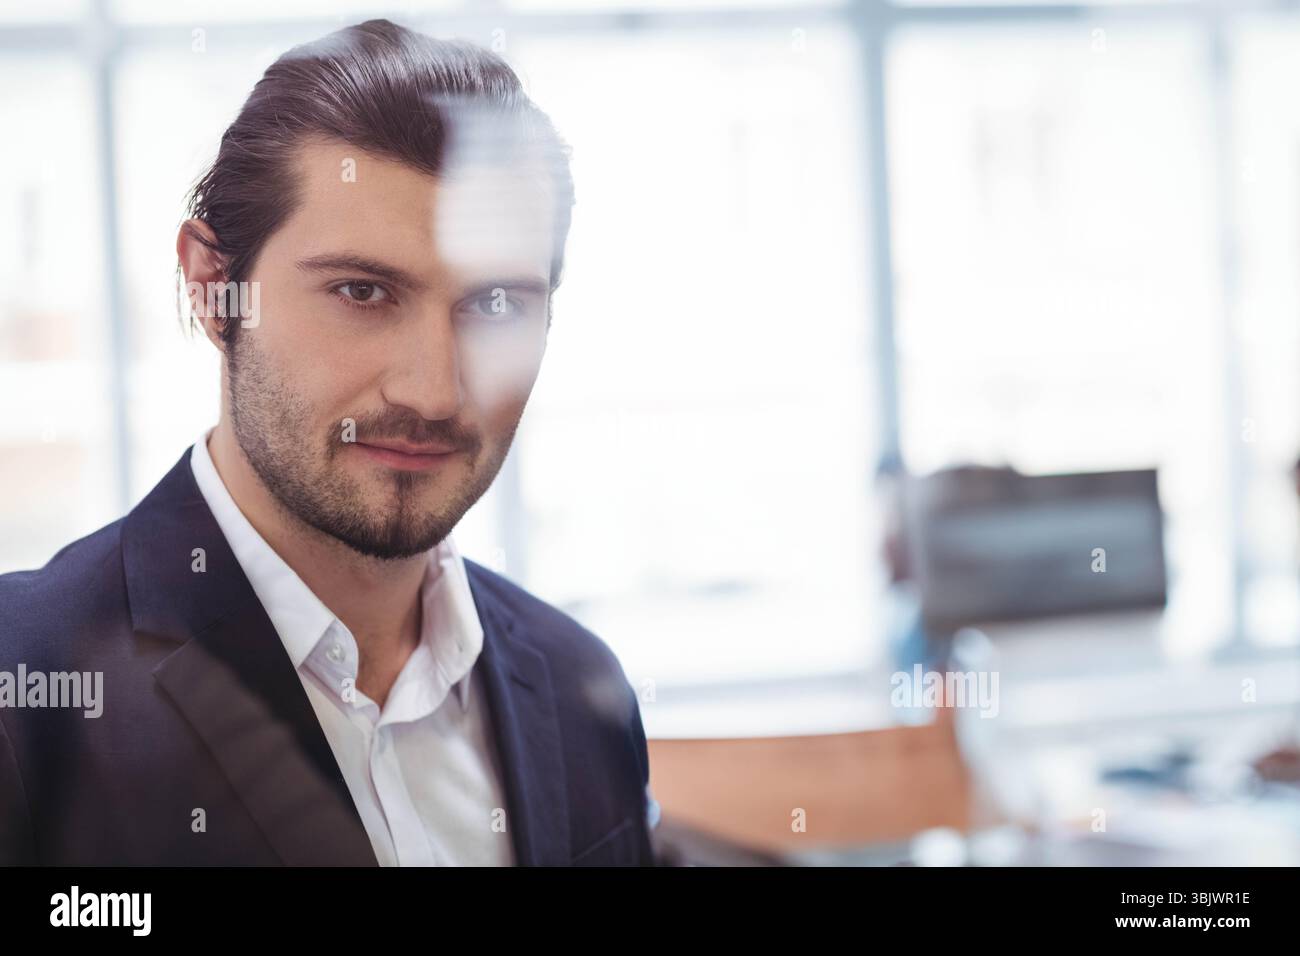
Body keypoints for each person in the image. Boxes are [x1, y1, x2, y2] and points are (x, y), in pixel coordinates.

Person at [0, 19, 656, 866]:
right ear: (213, 288)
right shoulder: (24, 692)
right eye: (362, 291)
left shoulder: (580, 690)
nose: (432, 390)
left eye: (495, 306)